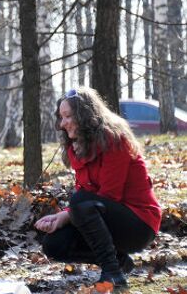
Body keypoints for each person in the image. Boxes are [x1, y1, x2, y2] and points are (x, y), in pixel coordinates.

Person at [34, 87, 161, 288]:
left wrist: (70, 214)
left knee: (80, 202)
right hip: (107, 215)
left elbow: (108, 195)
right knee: (54, 244)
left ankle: (112, 273)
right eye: (61, 117)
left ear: (84, 114)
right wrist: (62, 216)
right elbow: (87, 194)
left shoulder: (114, 139)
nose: (63, 123)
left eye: (68, 116)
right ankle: (119, 263)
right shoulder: (77, 145)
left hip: (139, 223)